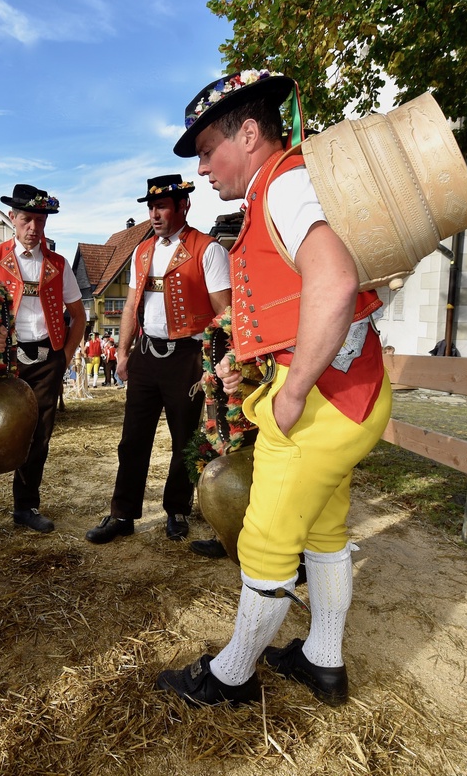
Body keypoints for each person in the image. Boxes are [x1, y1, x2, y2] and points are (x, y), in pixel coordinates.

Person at [155, 70, 392, 707]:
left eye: (207, 151)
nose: (202, 169)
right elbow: (294, 300)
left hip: (323, 400)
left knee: (265, 539)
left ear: (251, 132)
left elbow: (335, 281)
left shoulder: (283, 185)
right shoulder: (279, 186)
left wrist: (293, 389)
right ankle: (323, 660)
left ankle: (230, 677)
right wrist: (253, 360)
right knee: (324, 530)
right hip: (350, 390)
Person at [85, 175, 231, 544]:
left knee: (185, 438)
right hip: (146, 354)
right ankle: (122, 514)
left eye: (162, 206)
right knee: (132, 439)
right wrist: (122, 351)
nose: (154, 214)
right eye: (151, 207)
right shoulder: (141, 250)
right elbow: (132, 303)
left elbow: (225, 312)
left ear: (184, 206)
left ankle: (177, 509)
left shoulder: (208, 249)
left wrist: (221, 359)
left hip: (188, 357)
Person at [0, 184, 86, 552]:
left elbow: (78, 315)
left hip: (47, 360)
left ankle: (26, 507)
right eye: (27, 218)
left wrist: (67, 355)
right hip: (0, 364)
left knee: (38, 438)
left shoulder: (59, 265)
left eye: (40, 220)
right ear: (12, 218)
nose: (34, 227)